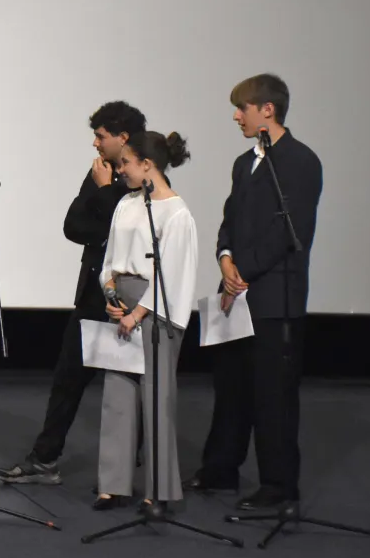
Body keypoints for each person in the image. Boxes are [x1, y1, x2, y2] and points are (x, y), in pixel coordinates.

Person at [184, 74, 322, 511]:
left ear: (268, 110)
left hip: (273, 299)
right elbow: (229, 219)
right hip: (234, 294)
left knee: (272, 396)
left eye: (241, 107)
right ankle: (220, 469)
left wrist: (243, 270)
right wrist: (225, 259)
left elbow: (289, 230)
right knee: (231, 388)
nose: (235, 115)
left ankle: (279, 486)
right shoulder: (245, 163)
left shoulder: (300, 161)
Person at [0, 101, 147, 486]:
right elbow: (74, 225)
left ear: (122, 137)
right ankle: (45, 459)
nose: (95, 145)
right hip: (93, 293)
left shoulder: (144, 170)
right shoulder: (99, 172)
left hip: (130, 297)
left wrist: (101, 196)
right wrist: (101, 203)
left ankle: (132, 467)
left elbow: (130, 228)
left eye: (100, 136)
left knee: (131, 383)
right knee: (68, 379)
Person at [94, 131, 197, 511]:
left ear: (147, 165)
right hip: (122, 301)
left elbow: (174, 272)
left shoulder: (177, 213)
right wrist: (110, 294)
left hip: (156, 310)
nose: (120, 170)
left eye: (126, 163)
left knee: (157, 398)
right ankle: (113, 484)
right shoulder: (126, 204)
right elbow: (111, 258)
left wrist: (139, 313)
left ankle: (159, 488)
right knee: (117, 396)